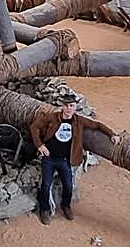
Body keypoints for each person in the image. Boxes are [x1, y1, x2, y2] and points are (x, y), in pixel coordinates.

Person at [28, 95, 121, 225]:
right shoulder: (52, 117)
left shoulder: (79, 121)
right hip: (49, 158)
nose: (68, 108)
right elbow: (34, 127)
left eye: (71, 106)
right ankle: (44, 210)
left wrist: (112, 134)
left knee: (68, 185)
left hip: (65, 160)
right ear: (62, 106)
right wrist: (39, 145)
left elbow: (96, 125)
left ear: (75, 107)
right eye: (66, 105)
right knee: (46, 185)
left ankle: (66, 205)